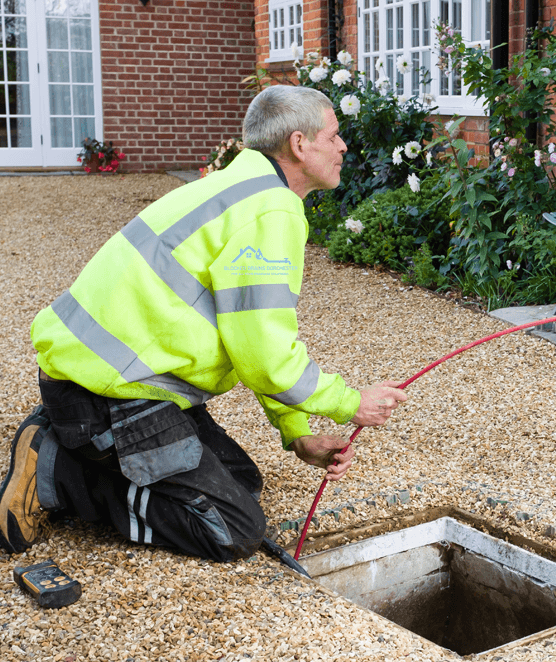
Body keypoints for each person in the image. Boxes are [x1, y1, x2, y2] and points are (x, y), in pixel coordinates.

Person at [0, 85, 407, 562]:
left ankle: (68, 439)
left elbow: (249, 338)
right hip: (106, 396)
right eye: (334, 136)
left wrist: (296, 430)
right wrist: (350, 403)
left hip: (110, 379)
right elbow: (265, 355)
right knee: (231, 530)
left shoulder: (239, 189)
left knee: (242, 483)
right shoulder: (271, 210)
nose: (343, 147)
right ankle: (61, 470)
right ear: (299, 144)